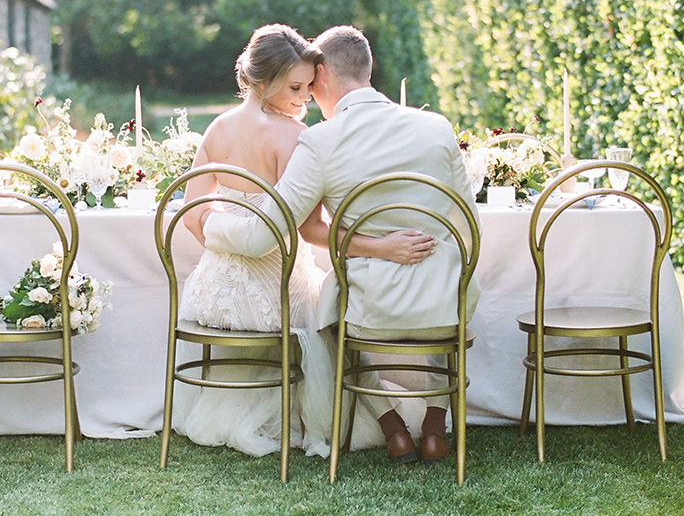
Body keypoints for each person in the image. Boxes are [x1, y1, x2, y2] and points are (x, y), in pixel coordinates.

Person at [197, 25, 481, 465]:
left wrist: (203, 221)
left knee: (324, 310)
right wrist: (440, 262)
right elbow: (469, 224)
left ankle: (393, 430)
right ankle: (433, 428)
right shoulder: (438, 126)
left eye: (310, 83)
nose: (308, 95)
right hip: (446, 298)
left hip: (370, 301)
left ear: (322, 73)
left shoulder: (320, 142)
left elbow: (275, 232)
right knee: (444, 305)